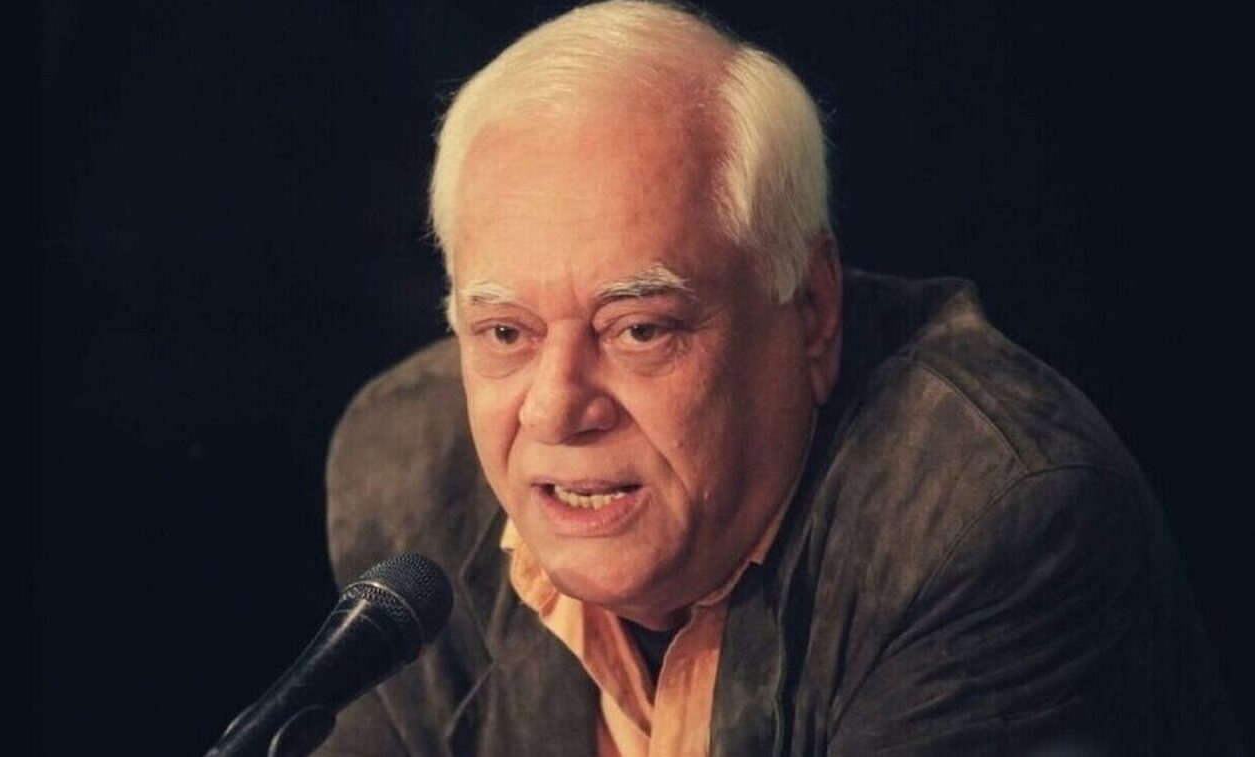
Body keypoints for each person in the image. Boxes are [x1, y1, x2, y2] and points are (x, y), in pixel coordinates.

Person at [318, 2, 1241, 755]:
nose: (557, 406)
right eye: (505, 332)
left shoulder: (987, 518)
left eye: (639, 329)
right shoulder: (408, 472)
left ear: (812, 309)